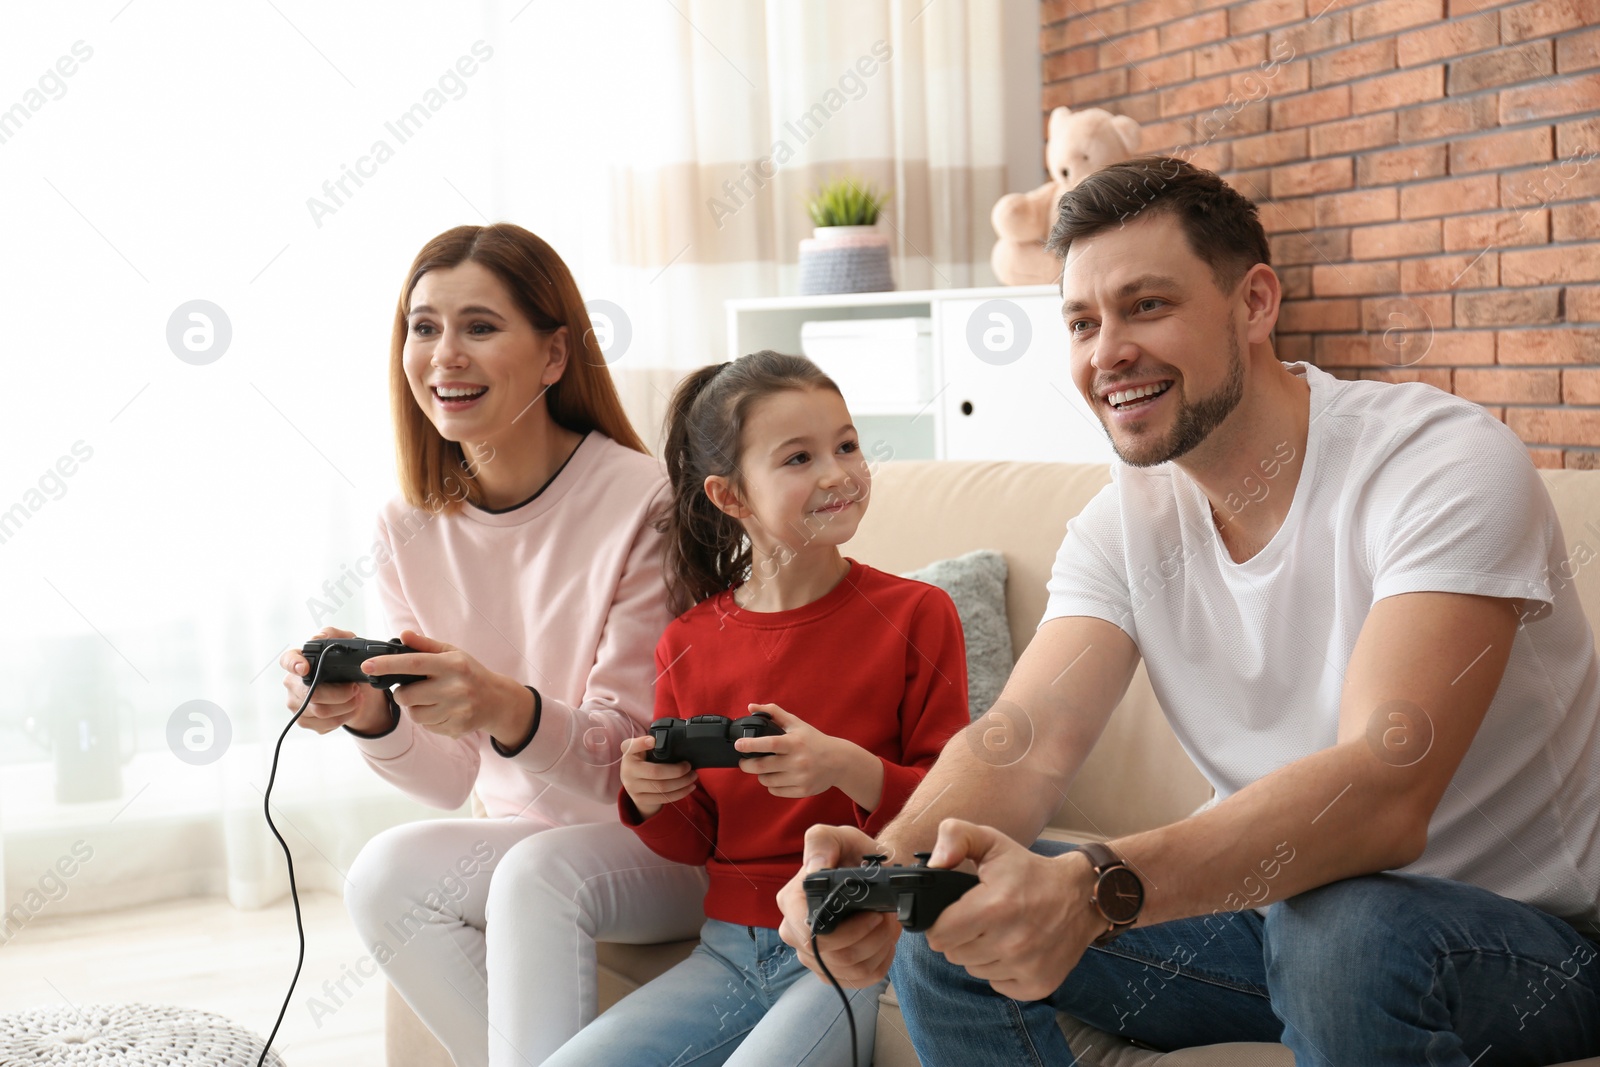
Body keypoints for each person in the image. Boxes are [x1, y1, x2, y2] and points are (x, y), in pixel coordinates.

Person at [775, 156, 1600, 1067]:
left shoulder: (1438, 465)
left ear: (1254, 304)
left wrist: (1093, 889)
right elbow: (1023, 740)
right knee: (961, 901)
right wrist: (886, 875)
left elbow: (1384, 791)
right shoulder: (1121, 525)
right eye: (1083, 322)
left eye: (1147, 305)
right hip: (1270, 916)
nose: (1107, 351)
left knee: (1347, 930)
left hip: (1522, 944)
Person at [278, 223, 709, 1067]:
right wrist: (372, 714)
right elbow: (450, 780)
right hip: (527, 843)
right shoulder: (407, 527)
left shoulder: (644, 499)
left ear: (554, 356)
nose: (445, 355)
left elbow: (631, 754)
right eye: (424, 326)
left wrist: (508, 706)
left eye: (479, 326)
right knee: (383, 872)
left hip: (663, 840)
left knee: (533, 875)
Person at [540, 350, 971, 1067]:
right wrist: (648, 796)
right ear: (730, 495)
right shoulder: (687, 640)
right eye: (799, 457)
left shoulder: (918, 614)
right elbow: (695, 840)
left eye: (847, 445)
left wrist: (842, 764)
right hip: (729, 949)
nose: (838, 472)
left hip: (853, 944)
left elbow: (955, 809)